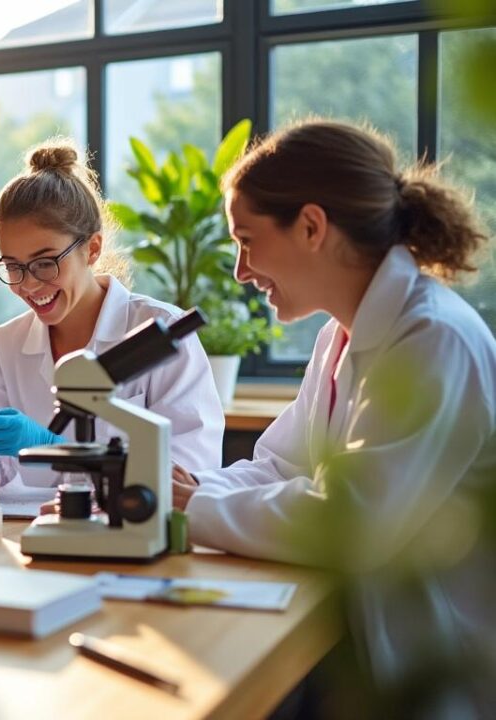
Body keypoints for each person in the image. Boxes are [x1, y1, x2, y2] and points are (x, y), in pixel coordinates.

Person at [172, 121, 495, 711]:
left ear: (312, 227)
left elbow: (355, 522)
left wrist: (195, 508)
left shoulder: (433, 338)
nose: (241, 270)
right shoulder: (339, 336)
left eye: (246, 240)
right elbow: (278, 463)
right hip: (360, 646)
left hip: (439, 672)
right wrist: (184, 494)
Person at [0, 139, 224, 491]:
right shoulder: (5, 344)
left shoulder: (161, 333)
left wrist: (60, 450)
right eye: (13, 267)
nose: (29, 284)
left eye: (45, 262)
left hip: (129, 538)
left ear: (93, 248)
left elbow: (186, 473)